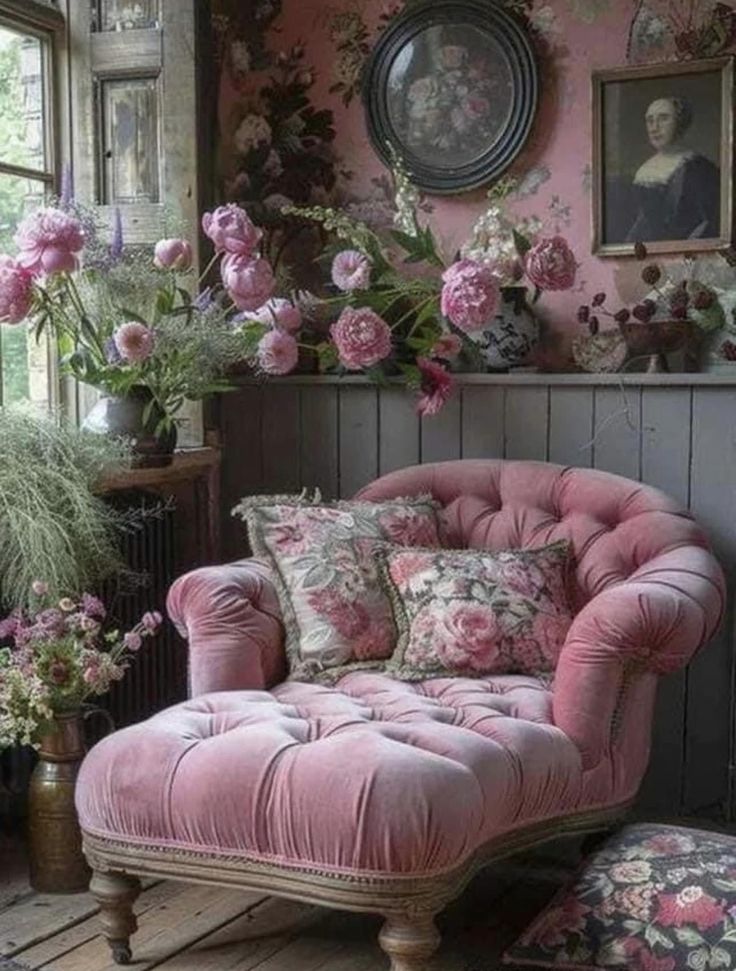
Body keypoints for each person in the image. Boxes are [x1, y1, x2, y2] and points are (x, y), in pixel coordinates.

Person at [625, 96, 720, 242]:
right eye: (650, 120)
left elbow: (710, 221)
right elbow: (640, 223)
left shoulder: (697, 167)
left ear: (680, 123)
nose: (655, 127)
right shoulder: (643, 170)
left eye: (663, 118)